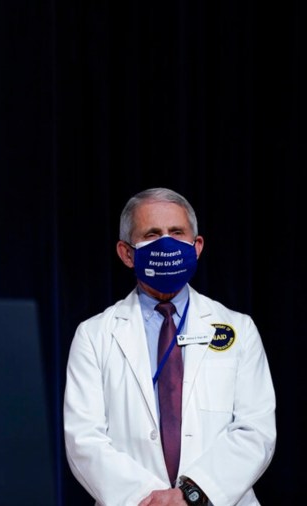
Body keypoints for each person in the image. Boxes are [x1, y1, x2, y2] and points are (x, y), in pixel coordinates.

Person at [63, 187, 276, 505]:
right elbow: (85, 439)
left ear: (197, 246)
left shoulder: (239, 329)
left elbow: (255, 430)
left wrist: (191, 495)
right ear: (126, 253)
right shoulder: (94, 336)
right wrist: (150, 499)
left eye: (177, 233)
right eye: (152, 234)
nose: (167, 243)